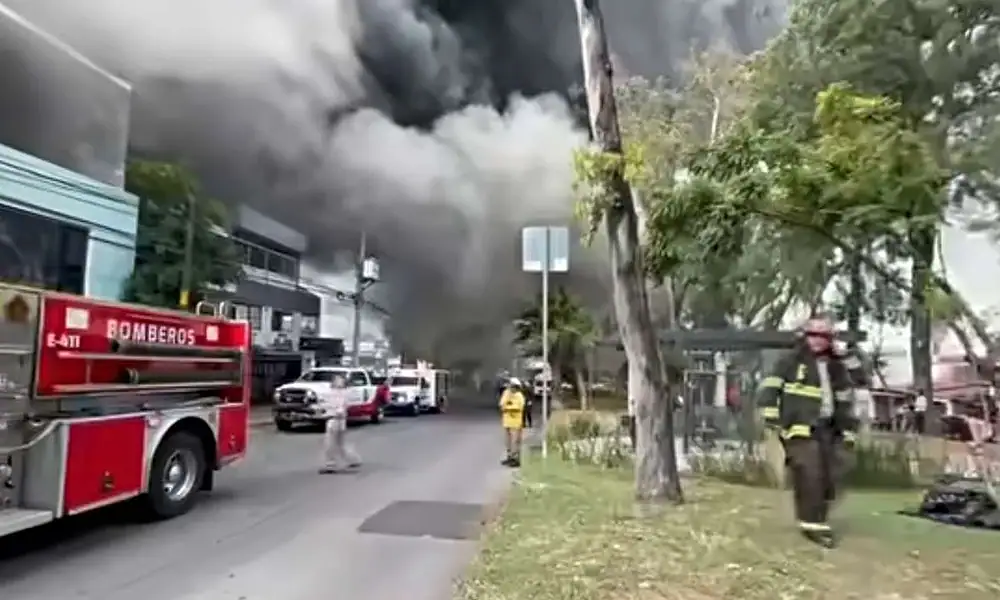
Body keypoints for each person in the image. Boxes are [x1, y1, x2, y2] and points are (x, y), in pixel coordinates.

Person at [755, 316, 864, 548]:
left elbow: (860, 380)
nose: (817, 339)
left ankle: (817, 518)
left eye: (824, 335)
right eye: (813, 334)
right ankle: (812, 525)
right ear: (804, 336)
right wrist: (772, 418)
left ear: (831, 338)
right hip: (799, 428)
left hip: (830, 429)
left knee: (830, 477)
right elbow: (769, 389)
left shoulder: (837, 366)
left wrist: (847, 355)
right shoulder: (790, 361)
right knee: (810, 473)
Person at [319, 374, 362, 474]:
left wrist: (339, 411)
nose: (337, 382)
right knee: (340, 443)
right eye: (336, 380)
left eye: (339, 380)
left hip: (335, 419)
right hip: (336, 419)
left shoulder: (342, 393)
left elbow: (343, 406)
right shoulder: (332, 392)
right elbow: (325, 402)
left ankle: (330, 465)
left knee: (330, 443)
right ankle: (353, 459)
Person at [499, 378, 527, 467]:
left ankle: (516, 459)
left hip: (516, 422)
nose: (511, 388)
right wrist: (508, 404)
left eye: (513, 387)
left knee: (515, 441)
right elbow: (502, 404)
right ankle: (509, 457)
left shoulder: (519, 396)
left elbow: (519, 407)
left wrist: (508, 407)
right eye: (510, 386)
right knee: (508, 441)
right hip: (507, 421)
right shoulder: (506, 393)